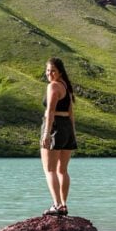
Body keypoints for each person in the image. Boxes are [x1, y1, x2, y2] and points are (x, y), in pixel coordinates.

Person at [40, 57, 77, 217]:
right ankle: (63, 205)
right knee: (62, 170)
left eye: (52, 70)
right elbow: (71, 113)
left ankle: (56, 205)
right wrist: (72, 133)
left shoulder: (53, 86)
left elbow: (50, 112)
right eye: (48, 70)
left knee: (49, 169)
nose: (49, 73)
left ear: (60, 71)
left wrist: (47, 133)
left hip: (55, 127)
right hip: (66, 128)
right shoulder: (66, 87)